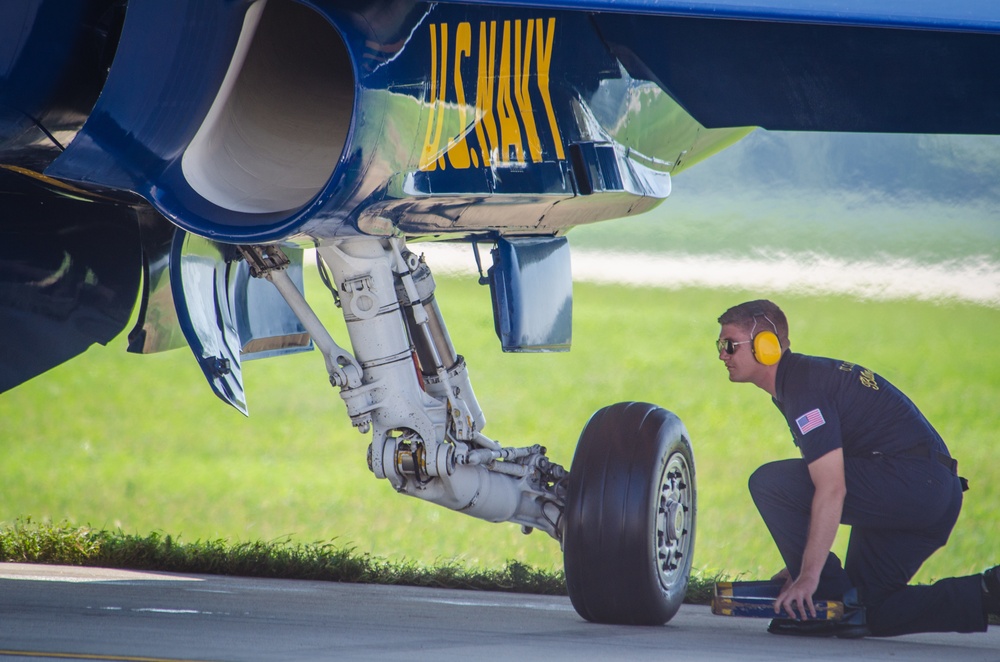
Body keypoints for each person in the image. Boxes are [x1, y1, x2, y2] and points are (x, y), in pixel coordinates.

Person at [716, 299, 999, 637]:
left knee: (770, 482)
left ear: (766, 346)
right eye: (720, 345)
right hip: (926, 491)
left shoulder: (804, 389)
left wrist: (810, 575)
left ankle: (822, 595)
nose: (722, 355)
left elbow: (832, 487)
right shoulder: (800, 381)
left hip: (911, 485)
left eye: (730, 345)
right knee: (865, 610)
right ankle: (987, 591)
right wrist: (804, 564)